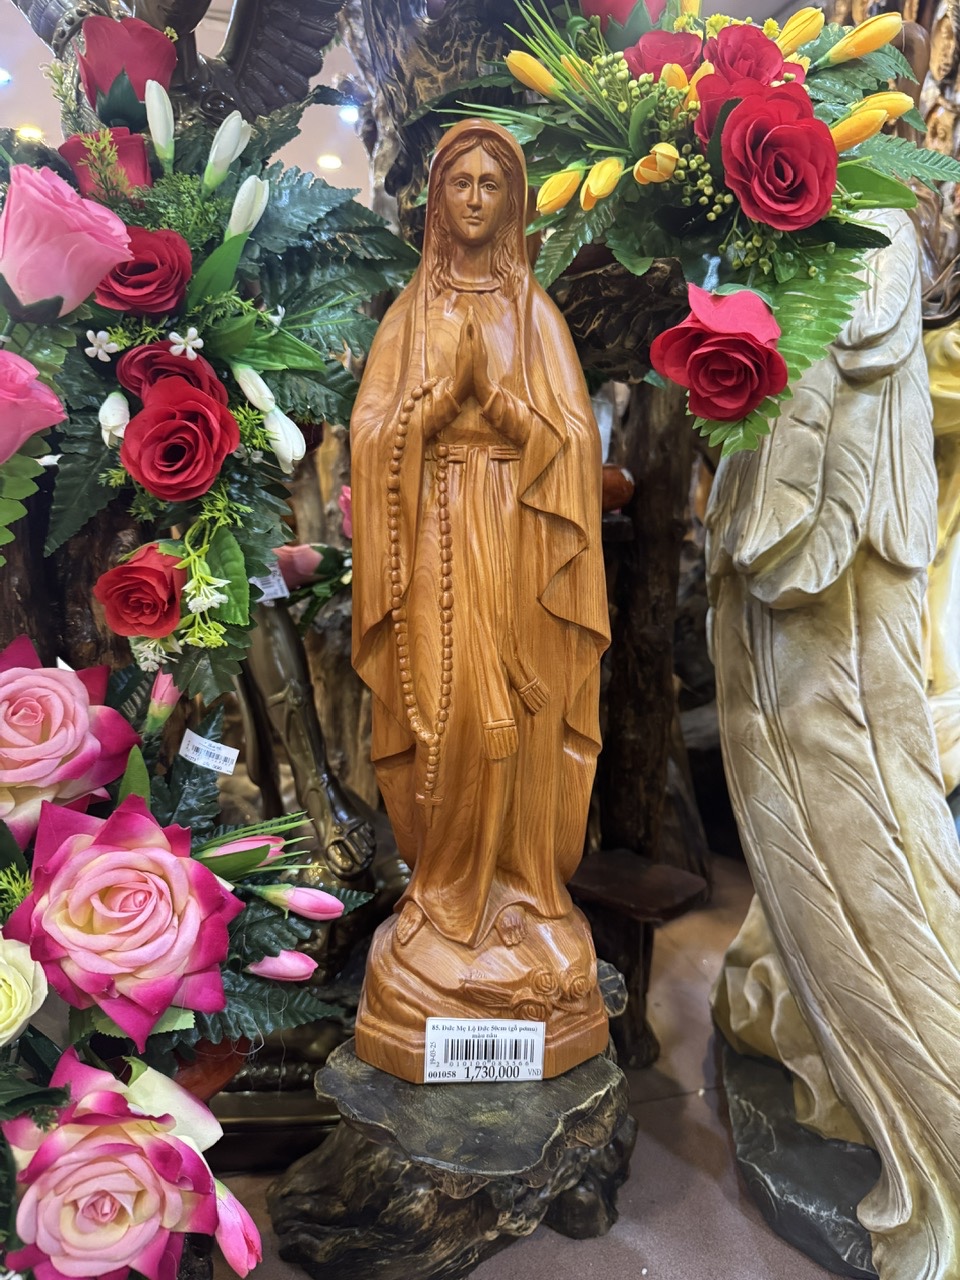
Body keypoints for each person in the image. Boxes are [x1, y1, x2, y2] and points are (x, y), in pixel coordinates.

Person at [349, 119, 610, 1081]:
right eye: (458, 182)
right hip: (434, 533)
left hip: (521, 538)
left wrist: (497, 402)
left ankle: (522, 890)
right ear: (435, 200)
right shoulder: (409, 314)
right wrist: (428, 411)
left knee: (521, 722)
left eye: (489, 185)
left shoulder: (535, 314)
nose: (471, 199)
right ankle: (443, 895)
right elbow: (370, 432)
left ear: (512, 203)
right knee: (452, 711)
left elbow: (576, 443)